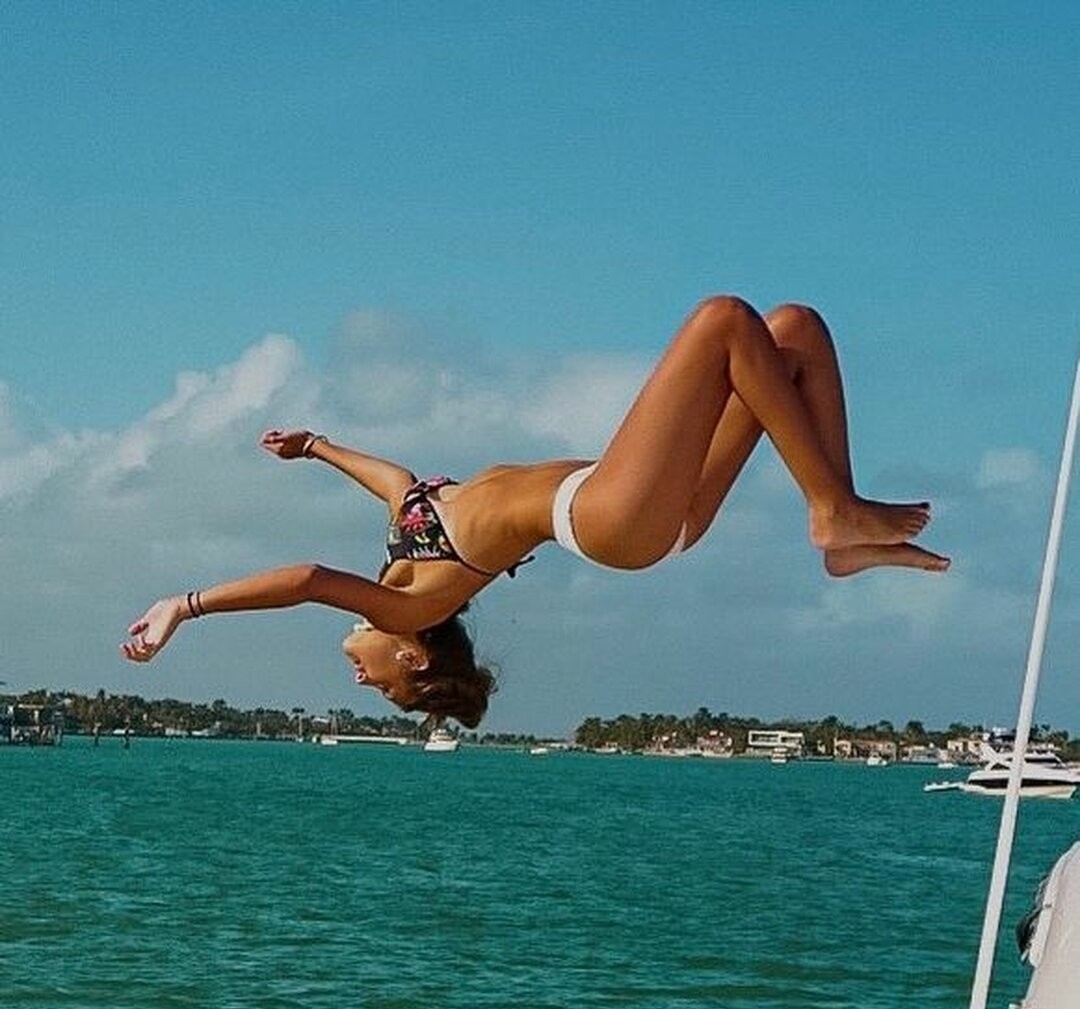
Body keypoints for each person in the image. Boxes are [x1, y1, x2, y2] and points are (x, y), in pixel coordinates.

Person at [122, 296, 948, 727]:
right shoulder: (414, 607)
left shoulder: (407, 549)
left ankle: (840, 531)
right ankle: (831, 513)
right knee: (723, 322)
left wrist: (318, 447)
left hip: (654, 507)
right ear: (411, 657)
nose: (359, 678)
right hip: (607, 518)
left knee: (792, 333)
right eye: (383, 687)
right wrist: (184, 607)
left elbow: (397, 483)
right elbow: (306, 579)